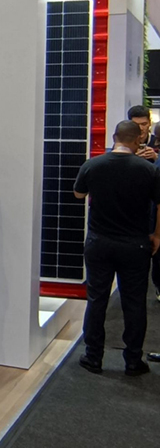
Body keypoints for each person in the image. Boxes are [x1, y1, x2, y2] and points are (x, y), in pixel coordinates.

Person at [73, 120, 160, 376]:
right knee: (134, 303)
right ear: (137, 140)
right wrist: (156, 234)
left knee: (96, 299)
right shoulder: (148, 170)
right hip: (135, 244)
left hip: (99, 242)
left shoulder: (93, 165)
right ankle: (133, 360)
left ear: (114, 137)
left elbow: (78, 194)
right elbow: (159, 205)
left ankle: (93, 356)